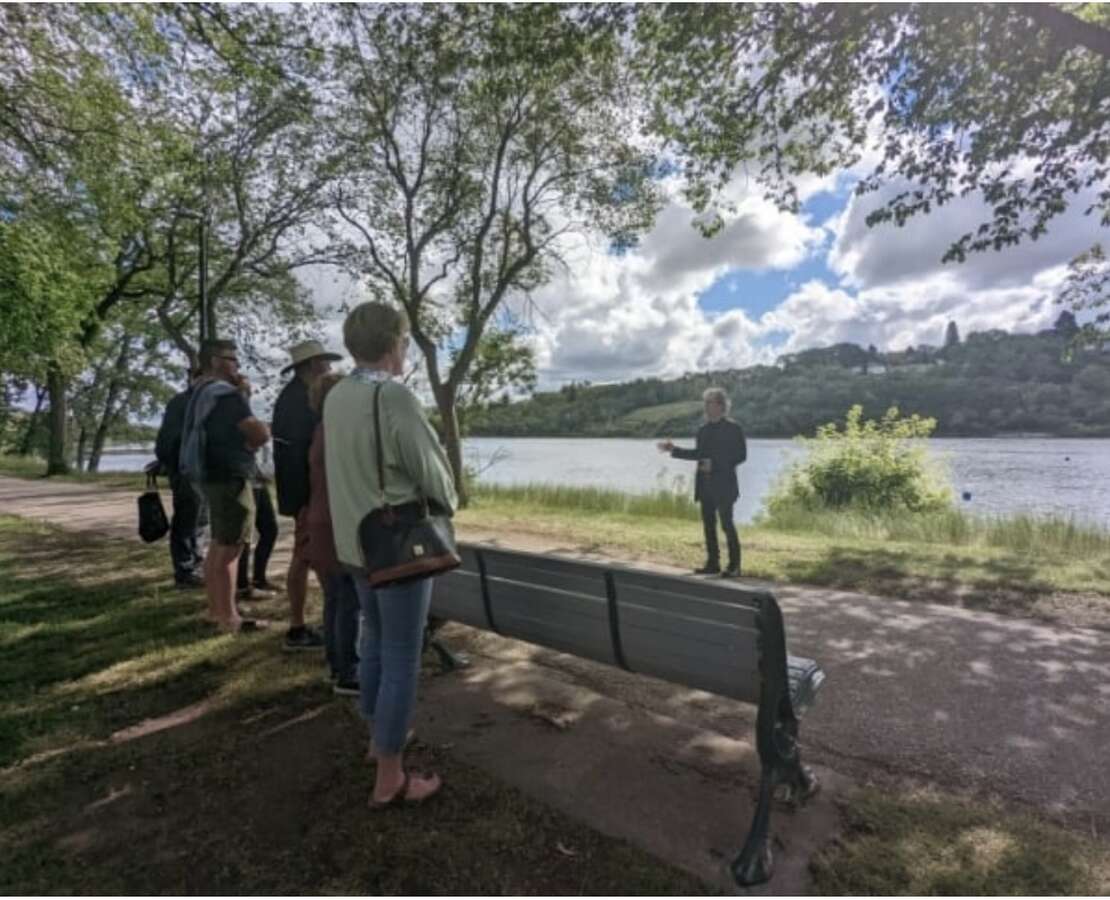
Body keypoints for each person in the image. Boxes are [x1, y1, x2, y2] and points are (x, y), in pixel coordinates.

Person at [324, 301, 457, 807]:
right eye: (403, 341)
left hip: (355, 545)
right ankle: (390, 777)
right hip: (396, 544)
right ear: (393, 343)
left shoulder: (337, 395)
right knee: (402, 654)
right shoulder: (392, 395)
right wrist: (450, 501)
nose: (405, 349)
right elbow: (433, 473)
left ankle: (377, 738)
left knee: (376, 641)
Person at [181, 338, 271, 633]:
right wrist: (247, 404)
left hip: (210, 474)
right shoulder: (226, 395)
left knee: (218, 544)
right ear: (216, 361)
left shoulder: (200, 393)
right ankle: (229, 617)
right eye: (232, 359)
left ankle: (215, 611)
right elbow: (258, 433)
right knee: (231, 547)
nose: (237, 365)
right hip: (231, 476)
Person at [272, 339, 340, 651]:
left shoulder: (293, 396)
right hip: (307, 496)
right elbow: (307, 456)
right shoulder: (300, 402)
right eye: (326, 362)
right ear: (313, 365)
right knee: (306, 557)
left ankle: (324, 619)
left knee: (311, 557)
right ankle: (299, 629)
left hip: (303, 495)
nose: (330, 367)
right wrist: (311, 502)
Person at [304, 372, 360, 696]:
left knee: (334, 597)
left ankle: (336, 665)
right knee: (348, 597)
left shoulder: (320, 430)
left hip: (319, 520)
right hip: (338, 522)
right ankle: (348, 671)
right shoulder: (341, 431)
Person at [657, 387, 747, 577]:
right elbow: (698, 454)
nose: (705, 406)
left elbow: (741, 456)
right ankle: (713, 564)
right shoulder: (703, 430)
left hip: (725, 486)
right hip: (705, 486)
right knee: (708, 526)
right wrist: (673, 450)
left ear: (721, 405)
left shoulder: (734, 428)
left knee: (727, 525)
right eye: (705, 403)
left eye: (709, 402)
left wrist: (715, 464)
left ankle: (734, 566)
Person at [152, 367, 208, 588]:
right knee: (186, 521)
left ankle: (197, 564)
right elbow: (167, 441)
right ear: (192, 378)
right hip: (185, 472)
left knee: (201, 520)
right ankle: (184, 570)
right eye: (202, 377)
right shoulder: (181, 403)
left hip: (204, 472)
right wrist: (174, 464)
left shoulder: (207, 402)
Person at [236, 439, 279, 601]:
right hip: (247, 483)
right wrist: (264, 472)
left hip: (260, 485)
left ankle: (259, 579)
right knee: (244, 537)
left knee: (270, 530)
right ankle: (242, 586)